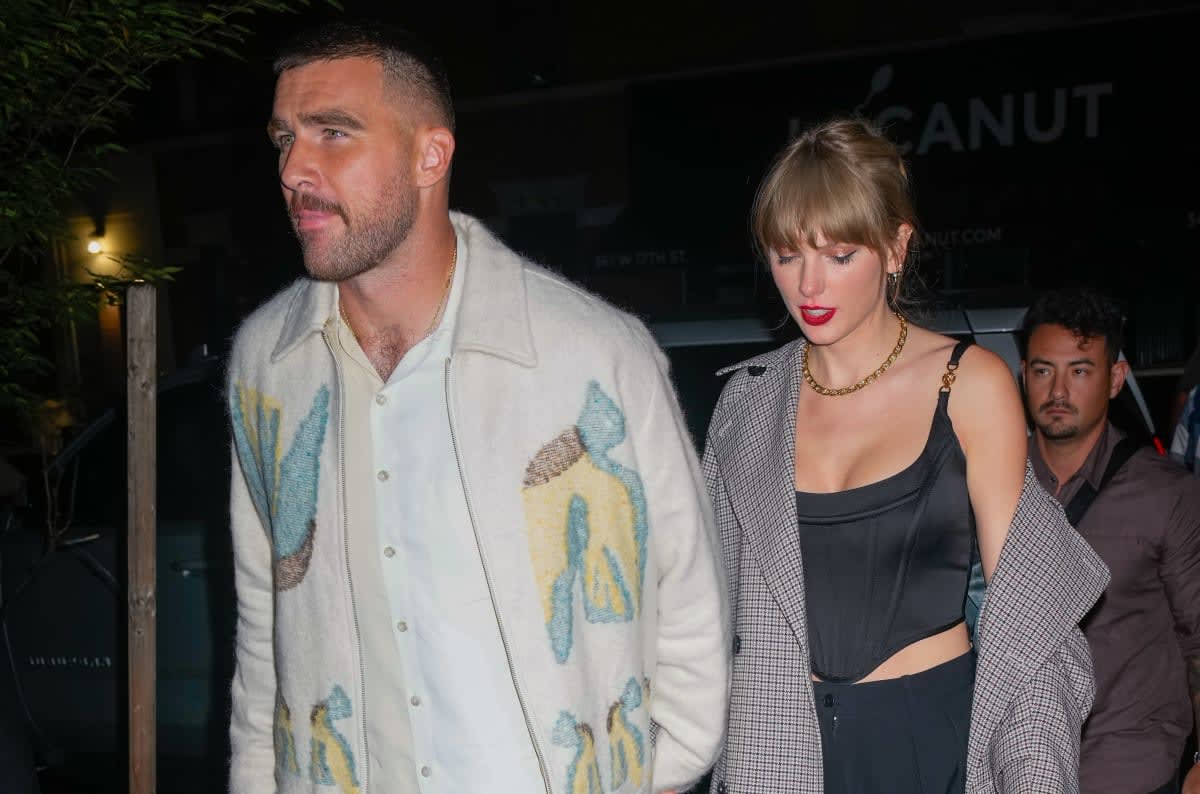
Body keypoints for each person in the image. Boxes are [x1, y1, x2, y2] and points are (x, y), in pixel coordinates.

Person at [225, 21, 729, 794]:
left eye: (334, 133)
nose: (294, 168)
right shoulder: (268, 362)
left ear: (430, 156)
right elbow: (267, 616)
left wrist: (660, 773)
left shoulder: (587, 352)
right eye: (285, 138)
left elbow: (687, 592)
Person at [702, 117, 1108, 794]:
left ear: (896, 248)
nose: (809, 286)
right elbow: (703, 613)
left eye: (839, 256)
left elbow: (1030, 622)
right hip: (778, 747)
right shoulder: (747, 403)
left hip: (925, 740)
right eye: (787, 254)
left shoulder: (968, 384)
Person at [1022, 288, 1200, 794]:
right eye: (1043, 371)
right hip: (1020, 768)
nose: (1058, 390)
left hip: (1130, 767)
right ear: (1023, 375)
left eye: (1079, 371)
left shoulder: (1165, 494)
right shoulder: (992, 484)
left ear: (1115, 378)